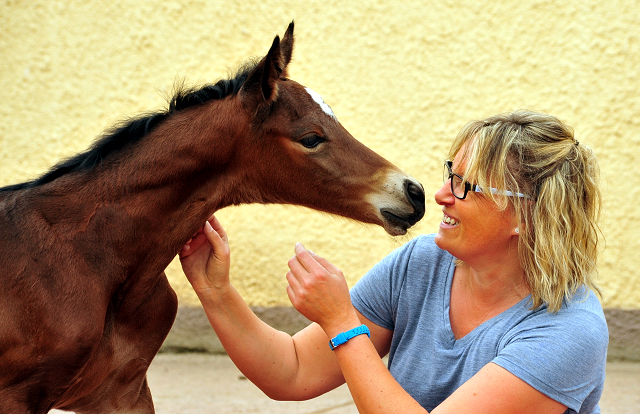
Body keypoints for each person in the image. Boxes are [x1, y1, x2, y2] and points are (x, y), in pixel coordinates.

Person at [179, 110, 608, 414]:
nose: (440, 195)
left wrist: (343, 323)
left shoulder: (568, 331)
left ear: (524, 215)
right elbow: (292, 372)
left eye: (464, 185)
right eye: (448, 174)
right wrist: (215, 290)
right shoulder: (422, 264)